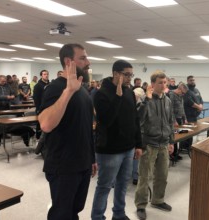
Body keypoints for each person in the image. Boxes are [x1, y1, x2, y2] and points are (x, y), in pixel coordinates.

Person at [38, 43, 97, 220]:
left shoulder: (83, 89)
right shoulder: (55, 88)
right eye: (83, 58)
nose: (88, 62)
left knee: (74, 210)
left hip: (82, 162)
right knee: (61, 213)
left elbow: (86, 128)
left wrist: (91, 158)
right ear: (68, 61)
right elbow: (46, 124)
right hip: (63, 166)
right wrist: (68, 91)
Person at [91, 60, 142, 220]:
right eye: (126, 75)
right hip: (109, 150)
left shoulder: (130, 92)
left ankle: (119, 214)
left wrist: (138, 144)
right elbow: (106, 121)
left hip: (128, 148)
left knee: (122, 185)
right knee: (105, 186)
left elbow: (135, 120)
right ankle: (98, 217)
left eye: (131, 75)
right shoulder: (101, 94)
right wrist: (118, 96)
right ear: (116, 74)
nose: (129, 78)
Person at [135, 70, 174, 220]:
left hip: (164, 143)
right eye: (160, 83)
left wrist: (171, 141)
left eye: (165, 82)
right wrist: (147, 101)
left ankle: (158, 200)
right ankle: (141, 205)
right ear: (152, 84)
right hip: (149, 144)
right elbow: (138, 120)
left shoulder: (168, 100)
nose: (163, 85)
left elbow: (170, 122)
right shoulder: (145, 100)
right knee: (145, 177)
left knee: (162, 175)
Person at [182, 75, 204, 151]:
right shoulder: (185, 90)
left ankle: (189, 147)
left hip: (195, 115)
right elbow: (189, 102)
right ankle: (183, 148)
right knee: (186, 132)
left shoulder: (196, 90)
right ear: (187, 81)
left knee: (191, 132)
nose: (193, 81)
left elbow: (201, 100)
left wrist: (200, 105)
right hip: (188, 115)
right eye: (191, 80)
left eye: (193, 80)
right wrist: (199, 107)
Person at [168, 82, 188, 162]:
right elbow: (170, 109)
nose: (183, 94)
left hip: (179, 118)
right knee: (173, 137)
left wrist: (185, 118)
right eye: (182, 92)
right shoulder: (171, 94)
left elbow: (182, 108)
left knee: (178, 137)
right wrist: (174, 121)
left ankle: (176, 153)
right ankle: (172, 155)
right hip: (174, 119)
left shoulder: (180, 96)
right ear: (179, 89)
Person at [33, 70, 50, 140]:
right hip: (41, 108)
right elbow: (36, 99)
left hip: (49, 108)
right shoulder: (38, 86)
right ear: (41, 75)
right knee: (40, 125)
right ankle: (38, 139)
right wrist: (38, 109)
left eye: (47, 74)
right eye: (44, 74)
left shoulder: (50, 84)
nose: (46, 75)